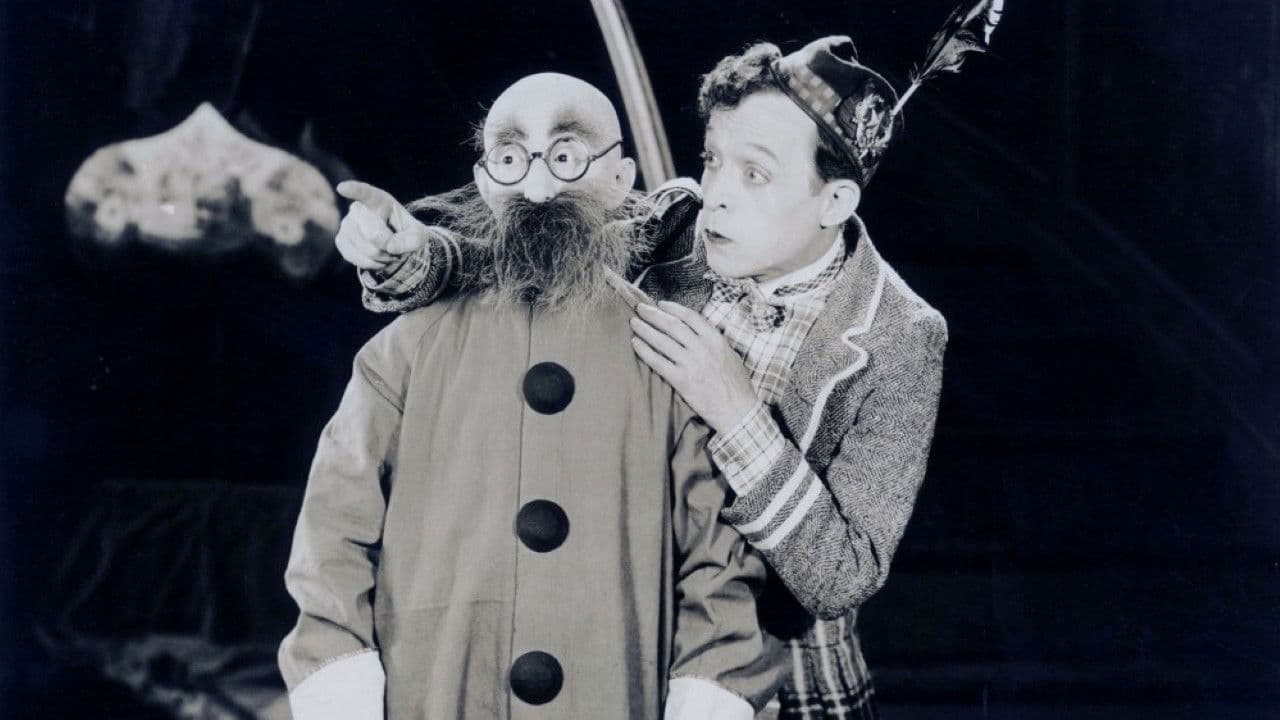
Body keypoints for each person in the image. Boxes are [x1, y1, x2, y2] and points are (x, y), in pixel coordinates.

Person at [340, 28, 998, 718]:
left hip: (792, 688)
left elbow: (844, 575)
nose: (716, 194)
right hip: (642, 658)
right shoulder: (677, 223)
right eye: (713, 160)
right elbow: (532, 254)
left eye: (755, 174)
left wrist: (737, 413)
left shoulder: (900, 334)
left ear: (833, 202)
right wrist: (409, 255)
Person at [278, 72, 786, 720]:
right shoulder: (403, 355)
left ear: (622, 178)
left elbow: (719, 572)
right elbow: (331, 540)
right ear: (485, 180)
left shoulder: (674, 359)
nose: (539, 189)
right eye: (512, 158)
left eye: (567, 156)